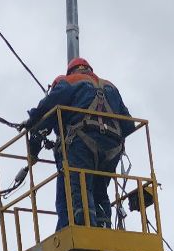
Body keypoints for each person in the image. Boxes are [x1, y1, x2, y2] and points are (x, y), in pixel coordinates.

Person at [23, 57, 135, 229]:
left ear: (71, 71)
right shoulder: (111, 88)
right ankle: (104, 226)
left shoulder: (68, 82)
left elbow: (47, 109)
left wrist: (32, 122)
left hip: (83, 144)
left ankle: (82, 227)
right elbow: (129, 125)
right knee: (99, 189)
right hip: (111, 150)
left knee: (80, 188)